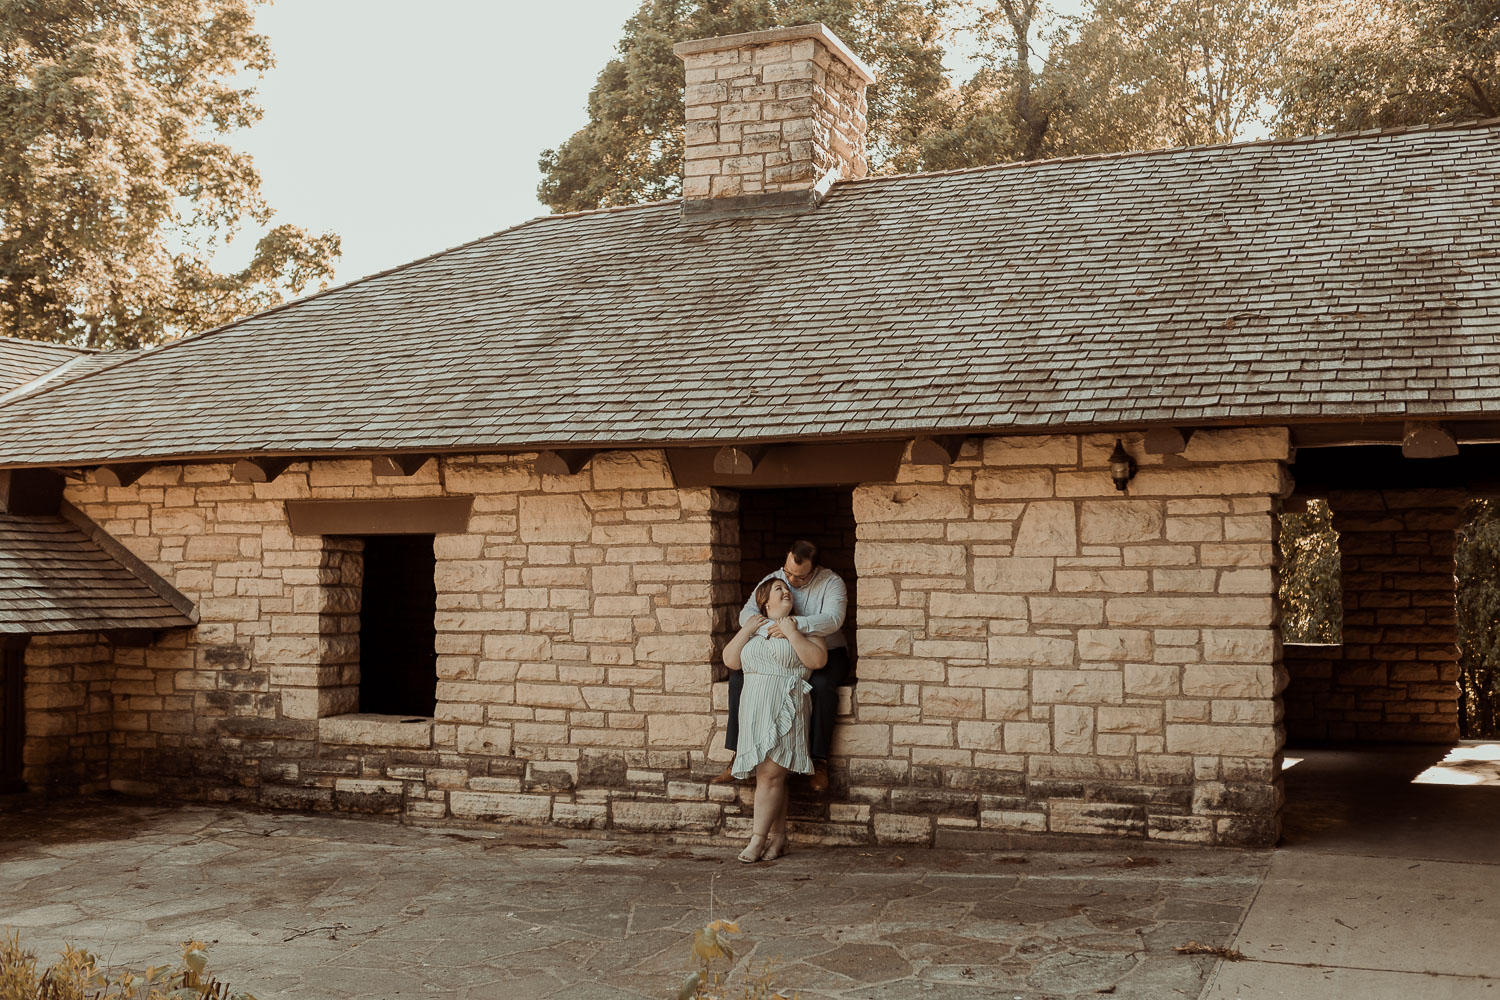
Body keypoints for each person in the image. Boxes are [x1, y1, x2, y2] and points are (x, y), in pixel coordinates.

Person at [713, 539, 849, 793]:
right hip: (779, 649)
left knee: (821, 684)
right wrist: (769, 627)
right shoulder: (775, 578)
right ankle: (737, 753)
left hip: (827, 649)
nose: (791, 581)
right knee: (737, 679)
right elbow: (747, 614)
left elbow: (833, 619)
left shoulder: (831, 582)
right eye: (788, 573)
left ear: (815, 569)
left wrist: (794, 626)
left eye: (799, 577)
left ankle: (819, 761)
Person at [723, 577, 827, 863]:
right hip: (755, 706)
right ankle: (779, 838)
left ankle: (757, 840)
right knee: (771, 777)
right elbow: (731, 660)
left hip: (786, 704)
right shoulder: (753, 629)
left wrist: (793, 633)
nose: (786, 592)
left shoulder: (805, 626)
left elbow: (817, 661)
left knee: (769, 775)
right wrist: (746, 630)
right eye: (778, 589)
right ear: (765, 602)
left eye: (788, 590)